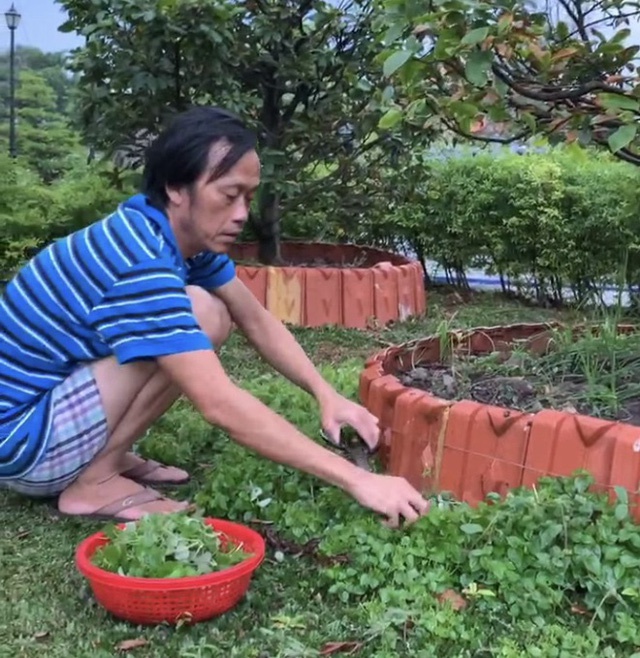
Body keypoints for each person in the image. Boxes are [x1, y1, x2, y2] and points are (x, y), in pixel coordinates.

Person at [0, 106, 429, 528]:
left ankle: (101, 456)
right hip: (24, 444)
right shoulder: (141, 259)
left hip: (46, 412)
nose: (242, 213)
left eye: (248, 196)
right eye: (228, 195)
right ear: (175, 188)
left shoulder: (170, 233)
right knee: (201, 312)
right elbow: (219, 404)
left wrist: (325, 394)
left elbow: (255, 318)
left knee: (214, 312)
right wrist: (358, 479)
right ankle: (94, 480)